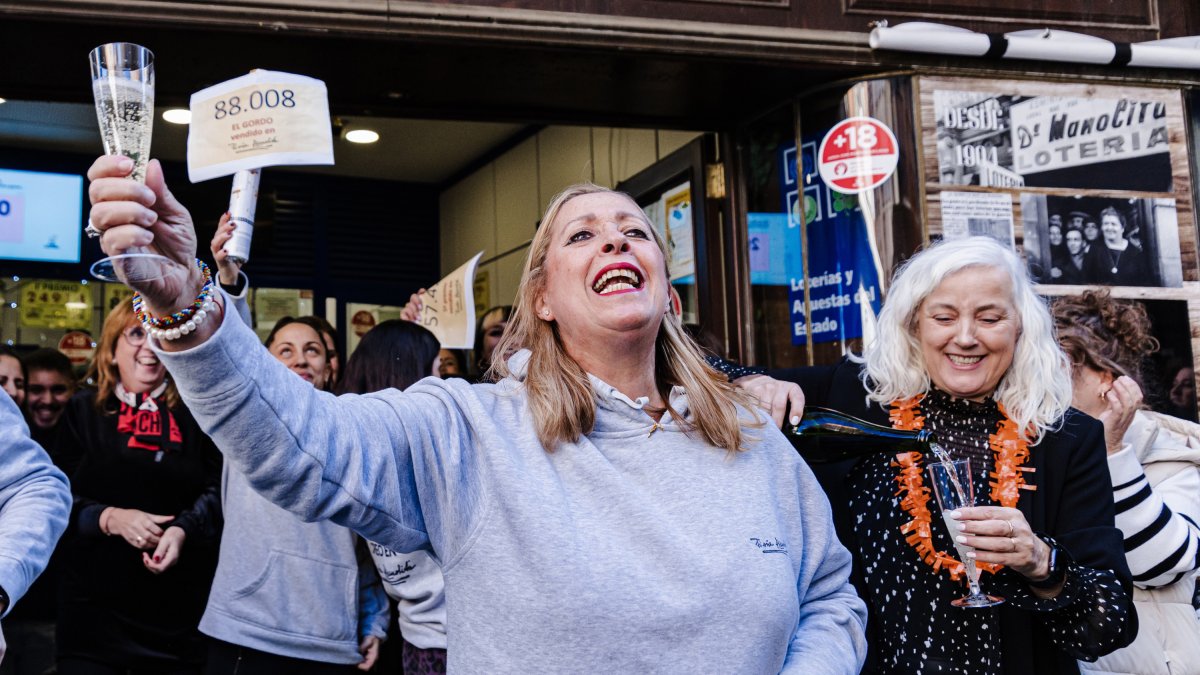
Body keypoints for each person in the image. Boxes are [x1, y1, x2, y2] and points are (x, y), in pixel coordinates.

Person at [88, 156, 869, 673]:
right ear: (543, 298)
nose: (616, 242)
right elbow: (301, 444)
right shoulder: (469, 429)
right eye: (583, 235)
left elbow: (829, 595)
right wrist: (189, 304)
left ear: (668, 291)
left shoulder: (750, 433)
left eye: (636, 232)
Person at [737, 237, 1136, 674]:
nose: (965, 338)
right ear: (914, 324)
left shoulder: (1065, 438)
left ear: (1020, 326)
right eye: (944, 317)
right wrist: (750, 383)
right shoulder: (856, 395)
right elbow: (691, 365)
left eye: (989, 317)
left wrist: (1042, 562)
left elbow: (1107, 629)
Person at [204, 213, 390, 674]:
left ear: (330, 367)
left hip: (332, 637)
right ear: (264, 363)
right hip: (246, 627)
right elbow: (232, 350)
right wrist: (228, 278)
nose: (300, 359)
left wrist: (374, 617)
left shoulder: (354, 430)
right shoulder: (247, 417)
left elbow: (366, 537)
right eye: (283, 351)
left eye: (312, 350)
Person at [54, 302, 223, 674]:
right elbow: (52, 498)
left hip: (176, 618)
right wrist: (109, 518)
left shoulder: (196, 413)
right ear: (112, 350)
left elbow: (218, 490)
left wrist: (183, 529)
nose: (149, 346)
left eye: (159, 335)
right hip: (92, 617)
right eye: (136, 334)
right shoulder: (80, 411)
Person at [1051, 290, 1200, 675]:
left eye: (1060, 372)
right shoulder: (1042, 455)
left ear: (1108, 379)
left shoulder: (1173, 454)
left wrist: (1112, 451)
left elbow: (1163, 564)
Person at [336, 320, 447, 674]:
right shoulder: (436, 452)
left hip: (416, 638)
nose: (443, 385)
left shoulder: (358, 450)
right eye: (437, 370)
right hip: (455, 638)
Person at [2, 348, 76, 675]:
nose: (45, 399)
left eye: (18, 382)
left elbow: (38, 485)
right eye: (35, 389)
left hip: (46, 605)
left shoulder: (78, 433)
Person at [1084, 207, 1148, 286]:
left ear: (1122, 228)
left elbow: (1144, 283)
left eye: (1113, 224)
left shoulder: (1135, 252)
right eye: (1106, 224)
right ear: (1102, 228)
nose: (1109, 227)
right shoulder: (1094, 249)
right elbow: (1086, 281)